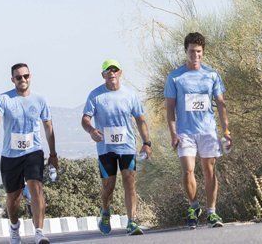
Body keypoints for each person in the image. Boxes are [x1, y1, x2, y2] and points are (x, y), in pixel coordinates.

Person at [164, 32, 231, 229]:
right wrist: (173, 133)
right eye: (192, 51)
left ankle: (211, 212)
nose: (196, 55)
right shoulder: (175, 77)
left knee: (210, 171)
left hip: (208, 131)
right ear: (186, 51)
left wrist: (226, 130)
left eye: (199, 51)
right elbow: (169, 108)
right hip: (185, 132)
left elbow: (220, 103)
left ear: (204, 52)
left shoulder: (212, 75)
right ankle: (194, 206)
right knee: (188, 170)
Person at [81, 59, 152, 236]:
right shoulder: (96, 95)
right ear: (103, 75)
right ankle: (105, 212)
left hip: (126, 146)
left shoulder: (130, 95)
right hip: (105, 149)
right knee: (108, 186)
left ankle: (132, 221)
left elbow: (140, 119)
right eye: (108, 70)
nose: (112, 73)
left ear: (120, 73)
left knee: (129, 182)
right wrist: (91, 131)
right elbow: (85, 119)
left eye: (115, 69)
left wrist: (146, 143)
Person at [0, 63, 58, 244]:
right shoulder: (4, 99)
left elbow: (48, 127)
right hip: (10, 155)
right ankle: (14, 228)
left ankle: (39, 232)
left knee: (36, 187)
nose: (23, 80)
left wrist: (53, 154)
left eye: (26, 76)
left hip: (33, 151)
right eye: (19, 77)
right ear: (13, 80)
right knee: (13, 198)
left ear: (30, 76)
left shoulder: (40, 100)